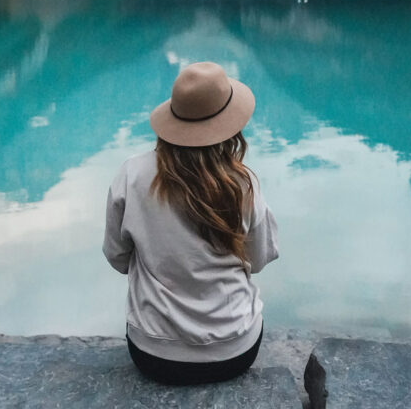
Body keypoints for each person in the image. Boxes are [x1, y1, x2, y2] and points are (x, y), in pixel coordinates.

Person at [102, 60, 279, 386]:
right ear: (231, 126)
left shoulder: (132, 174)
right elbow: (258, 260)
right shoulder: (243, 184)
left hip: (153, 354)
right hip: (235, 351)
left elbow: (116, 256)